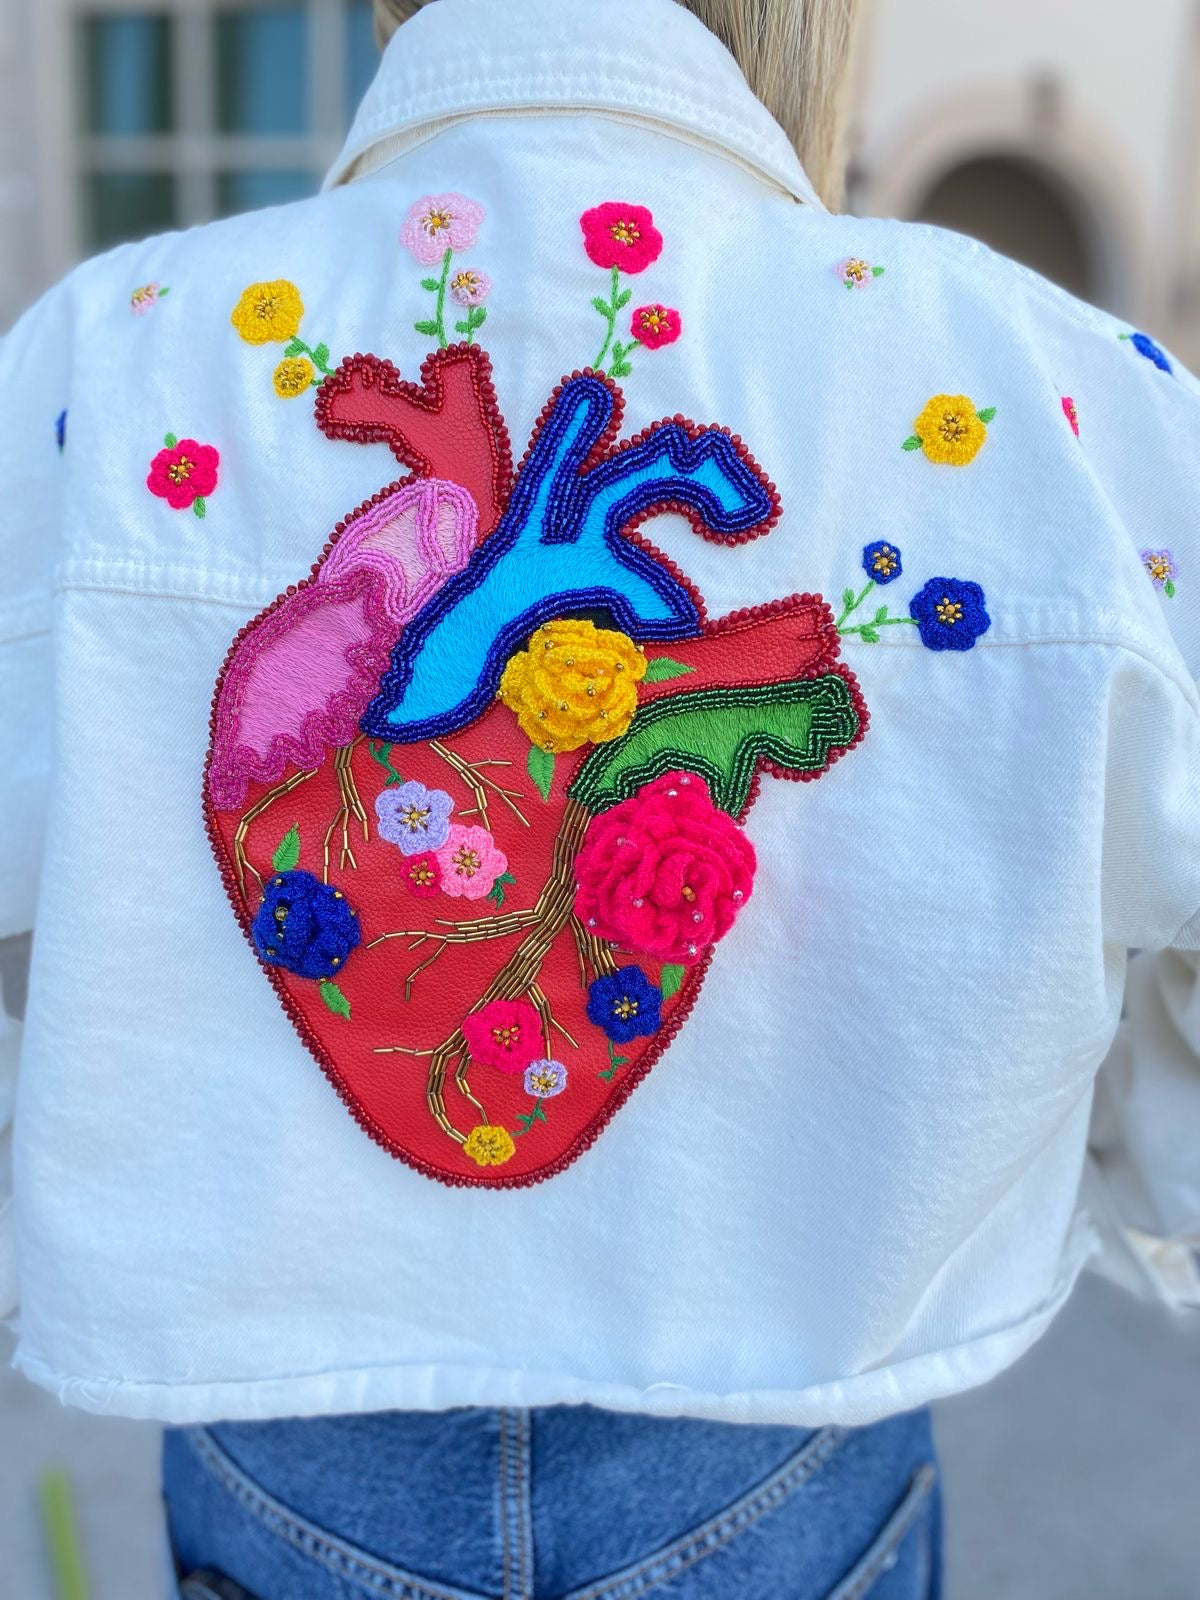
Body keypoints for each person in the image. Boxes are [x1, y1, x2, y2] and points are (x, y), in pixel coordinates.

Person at [1, 0, 1197, 1594]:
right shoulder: (1054, 385)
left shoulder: (98, 356)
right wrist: (1121, 1163)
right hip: (792, 1429)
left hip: (271, 1431)